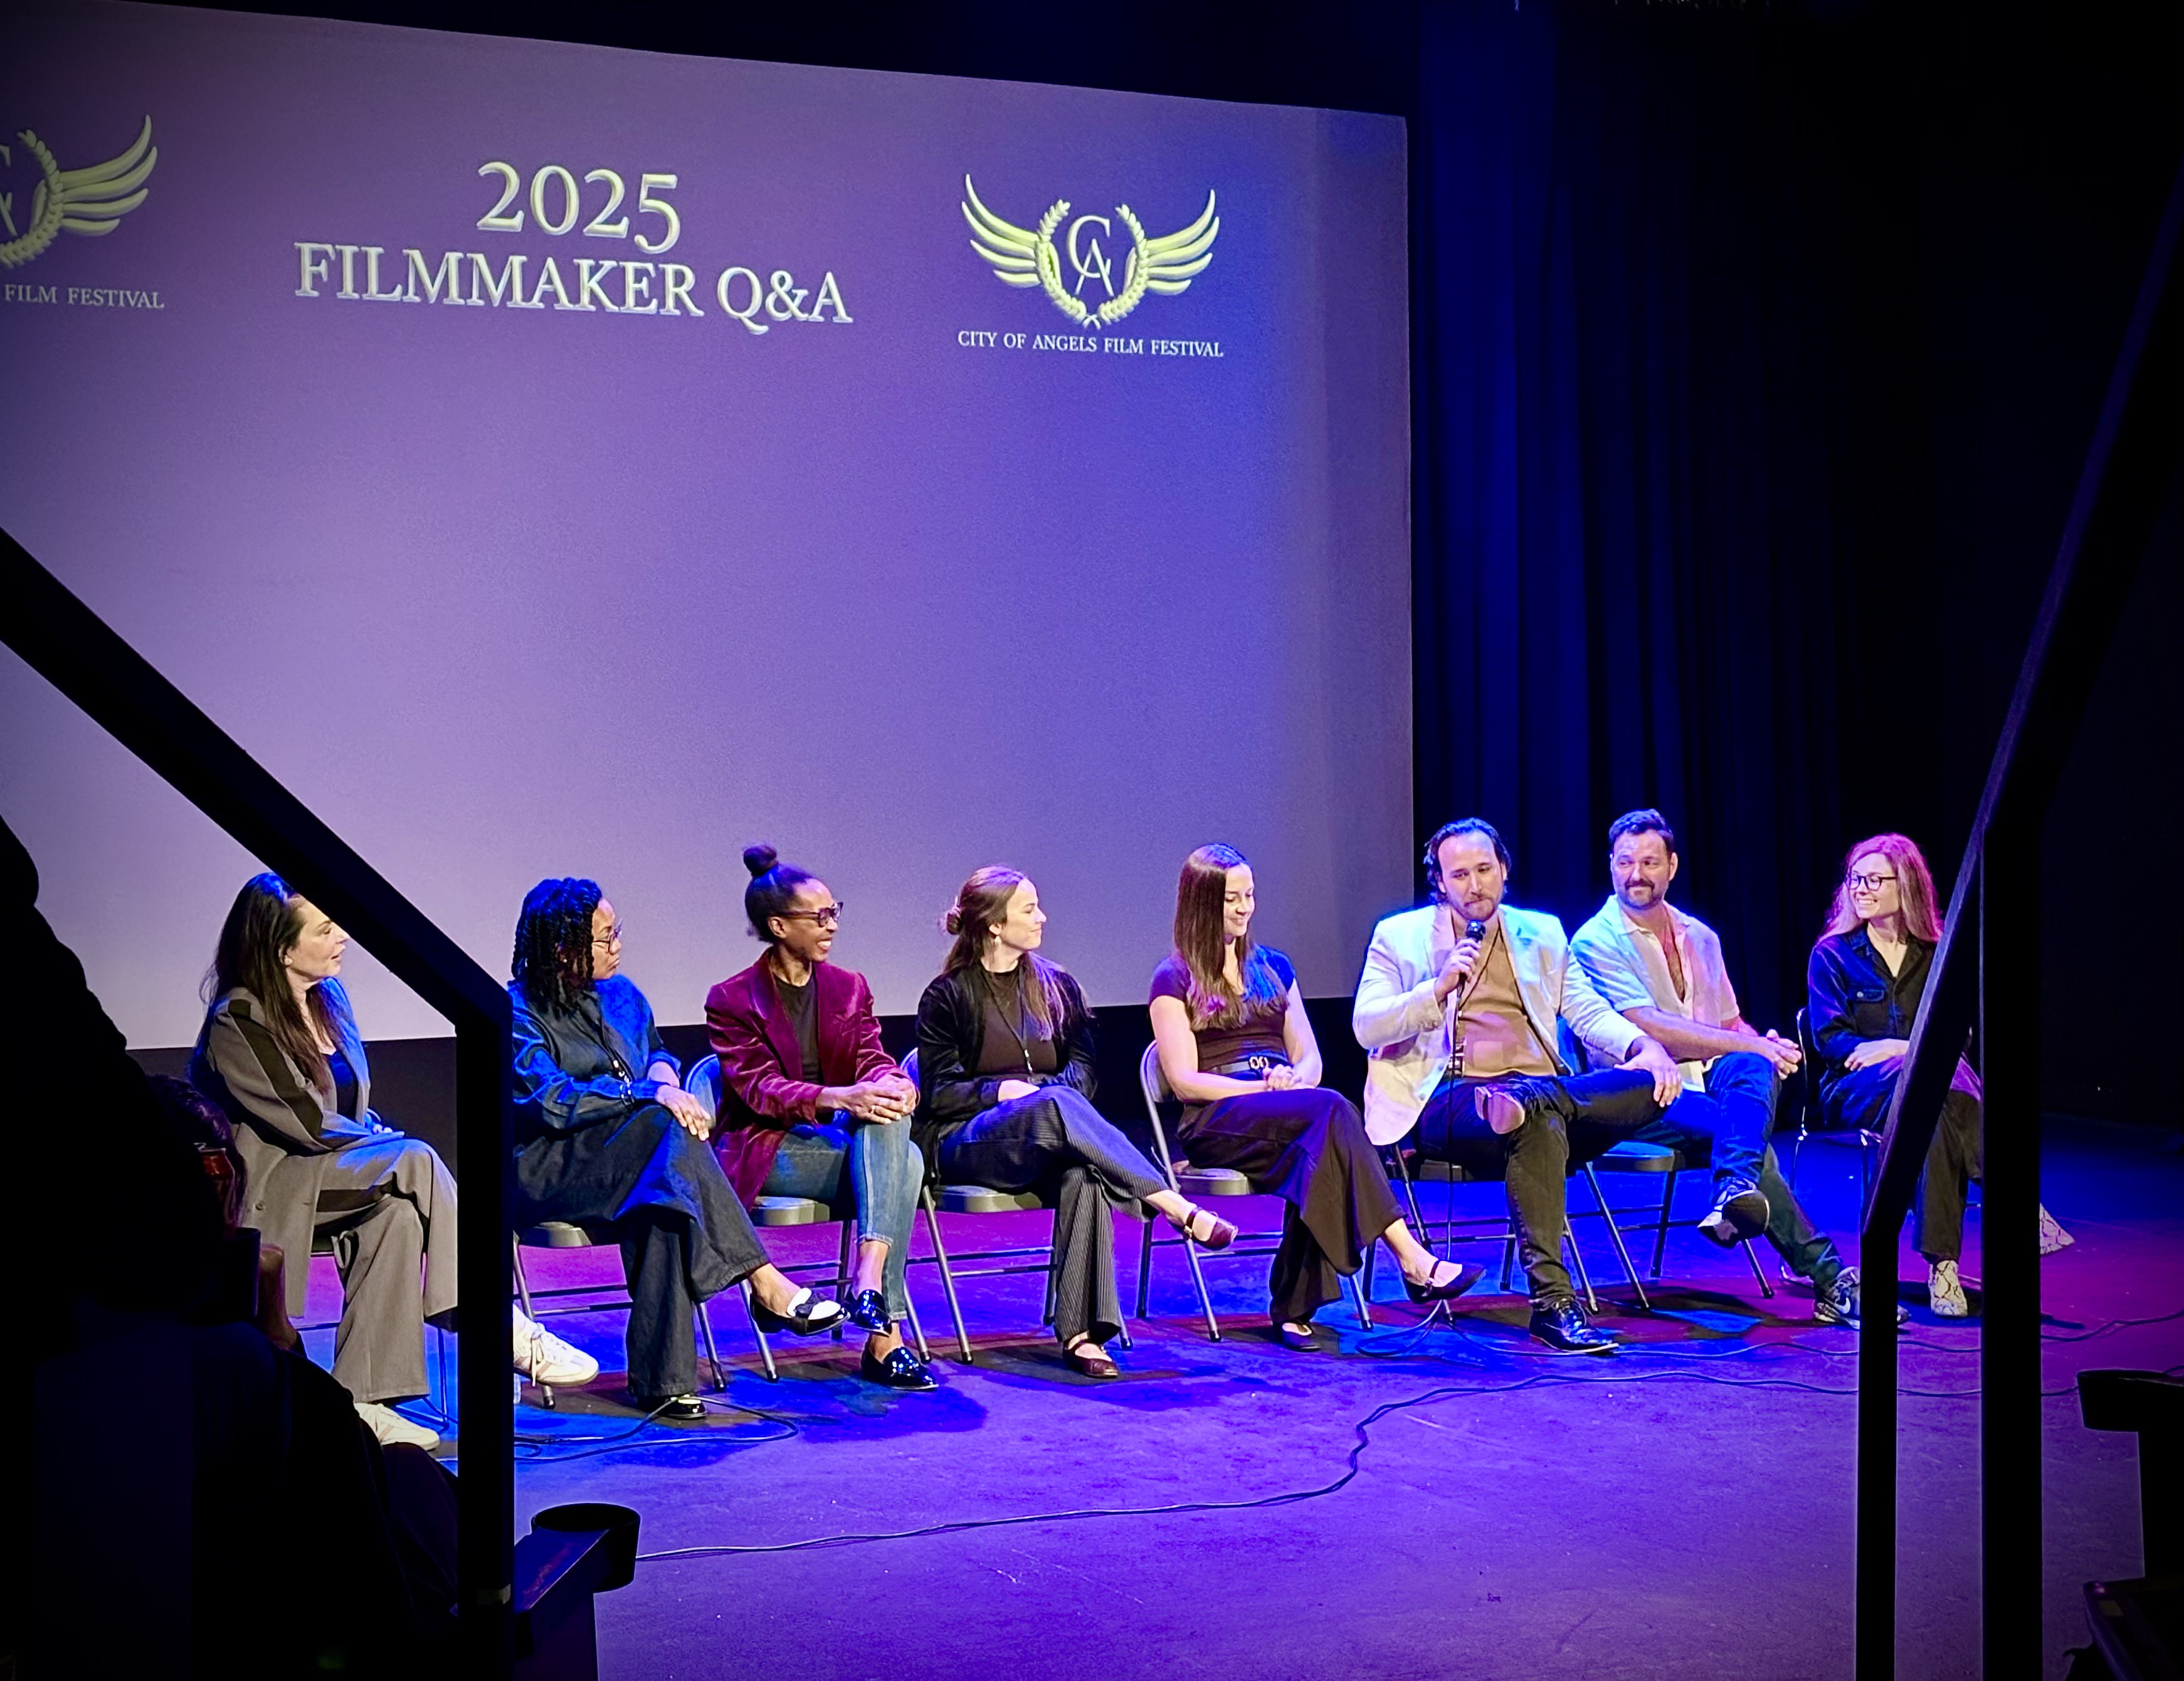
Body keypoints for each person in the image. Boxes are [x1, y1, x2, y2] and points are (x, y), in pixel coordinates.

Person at [190, 873, 554, 1450]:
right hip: (279, 1182)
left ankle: (363, 1401)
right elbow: (303, 1122)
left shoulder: (329, 1001)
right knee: (416, 1159)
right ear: (282, 948)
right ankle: (494, 1320)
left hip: (331, 1169)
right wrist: (387, 1150)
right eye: (326, 928)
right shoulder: (238, 1020)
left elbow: (346, 1105)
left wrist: (377, 1138)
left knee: (398, 1217)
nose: (342, 938)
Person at [510, 877, 843, 1417]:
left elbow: (658, 1052)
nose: (617, 945)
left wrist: (668, 1079)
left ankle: (663, 1382)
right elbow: (551, 1101)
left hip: (635, 1162)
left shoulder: (623, 995)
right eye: (603, 937)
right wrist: (649, 1092)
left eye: (616, 931)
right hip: (551, 1168)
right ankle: (765, 1280)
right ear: (561, 947)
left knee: (663, 1199)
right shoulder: (519, 1011)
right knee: (661, 1132)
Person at [1354, 818, 1681, 1354]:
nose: (1474, 884)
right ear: (1440, 881)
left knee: (1643, 1080)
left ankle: (1535, 1101)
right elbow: (1366, 1025)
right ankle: (1553, 1304)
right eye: (1459, 874)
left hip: (1536, 1092)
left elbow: (1584, 1008)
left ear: (1503, 870)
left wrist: (1638, 1046)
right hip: (1447, 1100)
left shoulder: (1541, 932)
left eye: (1484, 870)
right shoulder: (1399, 936)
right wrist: (1433, 990)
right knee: (1536, 1117)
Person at [1571, 809, 1899, 1328]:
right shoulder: (1594, 940)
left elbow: (1727, 1022)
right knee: (1749, 1143)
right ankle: (1827, 1275)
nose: (1637, 873)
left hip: (1703, 1086)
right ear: (1610, 866)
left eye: (1649, 861)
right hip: (1637, 1093)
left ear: (1672, 866)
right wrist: (1746, 1046)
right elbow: (1649, 1026)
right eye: (1625, 862)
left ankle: (1733, 1192)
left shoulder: (1700, 936)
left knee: (1749, 1062)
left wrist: (1764, 1046)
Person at [1149, 845, 1481, 1349]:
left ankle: (1294, 1307)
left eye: (1250, 895)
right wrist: (1261, 1087)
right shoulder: (1172, 978)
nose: (1245, 907)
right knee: (1328, 1111)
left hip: (1285, 1112)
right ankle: (1409, 1257)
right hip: (1218, 1119)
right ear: (1200, 905)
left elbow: (1310, 1058)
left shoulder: (1274, 967)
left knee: (1320, 1146)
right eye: (1231, 900)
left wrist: (1293, 1078)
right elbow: (1184, 1081)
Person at [915, 866, 1237, 1379]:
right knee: (1058, 1104)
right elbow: (936, 1093)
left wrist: (1039, 1094)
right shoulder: (948, 995)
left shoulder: (1057, 986)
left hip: (1049, 1136)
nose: (1042, 917)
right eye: (1028, 909)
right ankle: (1170, 1203)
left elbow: (1083, 1075)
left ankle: (1082, 1335)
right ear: (994, 925)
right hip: (969, 1142)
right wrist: (1000, 1092)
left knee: (1084, 1171)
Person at [1807, 833, 2071, 1318]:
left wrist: (1907, 1051)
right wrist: (1898, 1052)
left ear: (1904, 885)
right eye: (1854, 879)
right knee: (1936, 1080)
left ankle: (1942, 1267)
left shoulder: (1935, 953)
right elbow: (1832, 1042)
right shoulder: (1832, 955)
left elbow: (1957, 1033)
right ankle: (2015, 1200)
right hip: (1854, 1089)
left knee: (1929, 1109)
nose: (1859, 889)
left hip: (1927, 1088)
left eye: (1872, 880)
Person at [706, 845, 936, 1391]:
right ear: (779, 925)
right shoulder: (732, 999)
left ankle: (869, 1281)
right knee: (903, 1163)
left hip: (839, 1144)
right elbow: (760, 1089)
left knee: (894, 1138)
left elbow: (870, 1055)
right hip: (773, 1149)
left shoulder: (847, 986)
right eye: (820, 916)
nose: (832, 926)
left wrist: (891, 1081)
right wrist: (842, 1097)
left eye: (836, 912)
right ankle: (884, 1332)